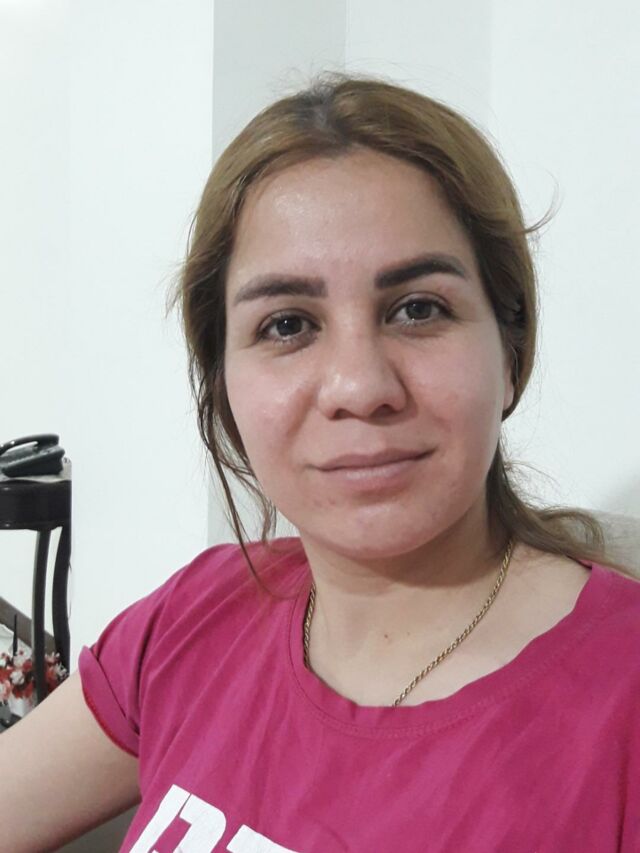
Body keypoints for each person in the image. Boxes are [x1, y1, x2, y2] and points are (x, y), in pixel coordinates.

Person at [3, 73, 639, 852]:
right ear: (224, 383)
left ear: (510, 351)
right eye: (287, 325)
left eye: (418, 309)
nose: (360, 386)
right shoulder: (196, 615)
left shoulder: (620, 702)